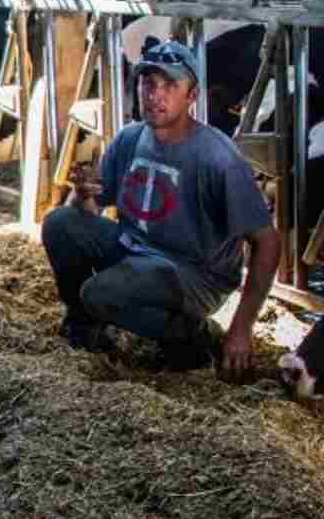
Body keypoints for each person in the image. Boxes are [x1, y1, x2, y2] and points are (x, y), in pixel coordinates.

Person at [41, 40, 278, 376]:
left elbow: (268, 241)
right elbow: (88, 210)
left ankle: (189, 337)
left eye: (170, 85)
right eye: (148, 83)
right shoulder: (129, 138)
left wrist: (242, 327)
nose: (155, 95)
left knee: (98, 292)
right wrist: (82, 195)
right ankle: (82, 325)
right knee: (59, 223)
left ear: (191, 96)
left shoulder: (218, 158)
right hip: (135, 248)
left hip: (194, 274)